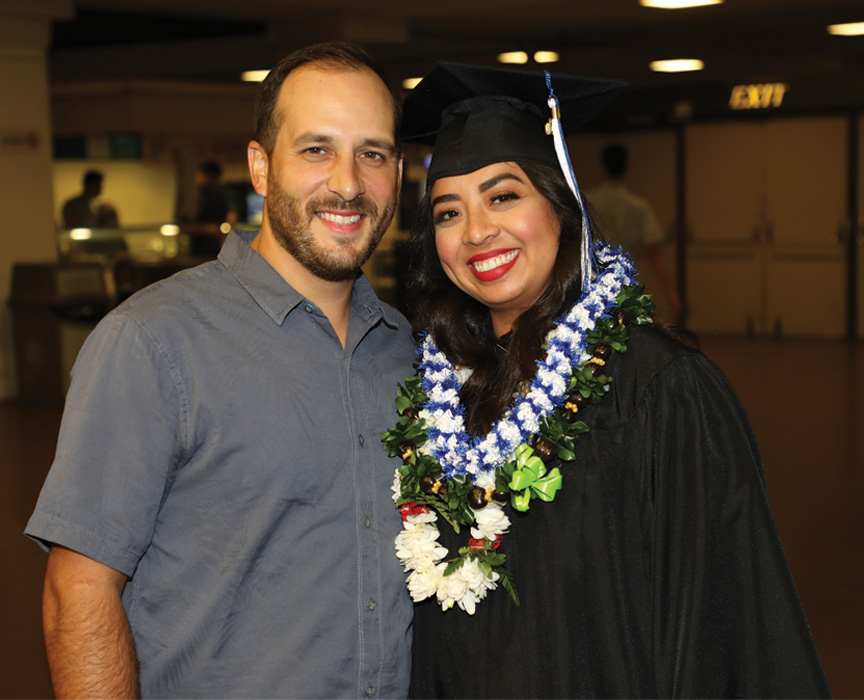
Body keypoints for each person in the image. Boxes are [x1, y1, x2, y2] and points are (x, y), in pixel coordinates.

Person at [384, 62, 831, 698]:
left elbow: (724, 623)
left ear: (560, 205)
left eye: (504, 196)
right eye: (448, 213)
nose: (477, 232)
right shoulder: (440, 396)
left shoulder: (659, 388)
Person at [26, 41, 414, 699]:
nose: (348, 183)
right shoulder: (153, 342)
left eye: (372, 153)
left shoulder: (406, 350)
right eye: (316, 149)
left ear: (398, 174)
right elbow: (80, 593)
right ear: (260, 167)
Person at [587, 143, 683, 323]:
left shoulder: (587, 203)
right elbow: (654, 254)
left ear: (602, 167)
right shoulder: (638, 207)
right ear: (626, 167)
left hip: (592, 288)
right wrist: (671, 294)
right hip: (629, 289)